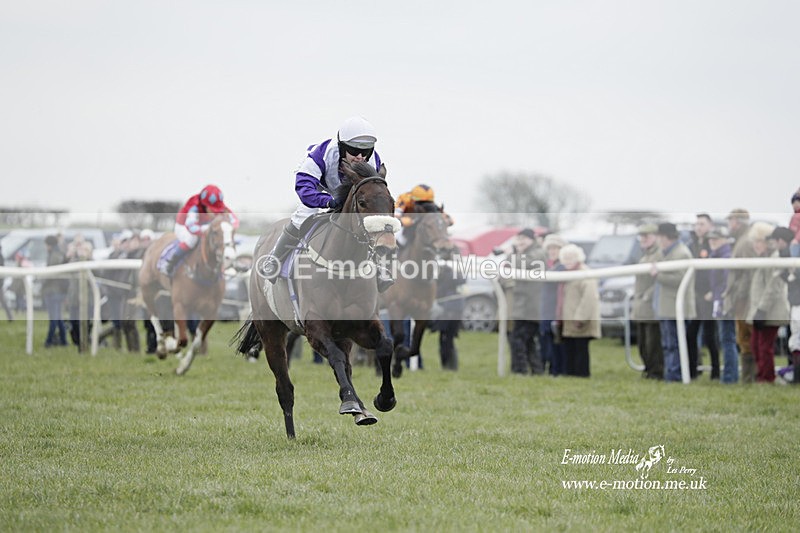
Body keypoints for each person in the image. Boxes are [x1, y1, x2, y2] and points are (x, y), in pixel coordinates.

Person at [260, 116, 393, 292]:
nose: (360, 157)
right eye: (353, 151)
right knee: (302, 216)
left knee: (367, 224)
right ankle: (274, 259)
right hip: (320, 190)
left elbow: (372, 194)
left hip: (352, 194)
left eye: (366, 152)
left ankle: (379, 267)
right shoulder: (320, 155)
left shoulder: (373, 161)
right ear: (342, 147)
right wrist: (327, 201)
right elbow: (303, 188)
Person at [160, 185, 239, 278]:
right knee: (191, 240)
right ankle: (170, 263)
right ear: (204, 205)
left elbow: (235, 220)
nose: (215, 212)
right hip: (184, 226)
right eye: (212, 209)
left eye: (217, 209)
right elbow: (191, 227)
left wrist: (228, 228)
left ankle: (228, 266)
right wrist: (207, 230)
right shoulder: (194, 207)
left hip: (206, 226)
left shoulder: (220, 205)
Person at [651, 222, 696, 382]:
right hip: (666, 307)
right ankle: (671, 374)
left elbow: (680, 279)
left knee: (673, 344)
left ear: (665, 237)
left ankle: (675, 376)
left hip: (676, 308)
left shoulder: (681, 253)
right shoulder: (664, 252)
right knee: (668, 344)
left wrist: (658, 275)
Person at [746, 222, 789, 383]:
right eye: (754, 241)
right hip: (761, 309)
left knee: (764, 347)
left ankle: (767, 377)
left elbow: (774, 286)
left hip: (770, 310)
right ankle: (761, 376)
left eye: (759, 241)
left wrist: (762, 309)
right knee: (756, 345)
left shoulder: (774, 258)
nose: (756, 245)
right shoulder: (763, 258)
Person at [505, 228, 546, 375]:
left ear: (532, 240)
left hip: (531, 306)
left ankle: (519, 370)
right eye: (518, 238)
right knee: (527, 341)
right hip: (524, 305)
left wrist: (511, 255)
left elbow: (522, 263)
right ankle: (536, 370)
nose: (521, 242)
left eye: (524, 239)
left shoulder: (538, 253)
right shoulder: (527, 253)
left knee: (518, 339)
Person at [722, 209, 756, 383]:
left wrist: (740, 294)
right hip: (743, 296)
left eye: (731, 221)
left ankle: (750, 378)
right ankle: (747, 378)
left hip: (746, 298)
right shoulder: (742, 240)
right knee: (743, 337)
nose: (729, 224)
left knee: (748, 337)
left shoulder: (747, 241)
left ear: (738, 221)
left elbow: (749, 273)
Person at [557, 244, 600, 377]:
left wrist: (580, 317)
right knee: (570, 348)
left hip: (580, 319)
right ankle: (571, 374)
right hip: (569, 317)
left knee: (580, 349)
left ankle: (582, 375)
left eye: (571, 258)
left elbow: (590, 298)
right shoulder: (567, 275)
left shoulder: (585, 273)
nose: (567, 261)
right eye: (565, 258)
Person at [687, 213, 719, 379]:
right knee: (691, 334)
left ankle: (715, 372)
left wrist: (713, 291)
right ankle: (693, 370)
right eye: (697, 224)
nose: (698, 227)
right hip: (694, 296)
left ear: (710, 226)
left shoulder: (712, 244)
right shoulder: (691, 245)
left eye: (702, 224)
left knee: (710, 336)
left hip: (708, 296)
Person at [768, 226, 800, 383]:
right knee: (794, 340)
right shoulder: (785, 255)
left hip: (797, 303)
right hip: (794, 302)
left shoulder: (792, 254)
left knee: (796, 340)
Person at [707, 226, 738, 384]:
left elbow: (727, 282)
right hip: (720, 300)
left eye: (716, 238)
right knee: (726, 339)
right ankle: (730, 375)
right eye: (711, 239)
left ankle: (729, 377)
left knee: (727, 339)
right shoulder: (717, 255)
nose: (712, 242)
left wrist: (719, 297)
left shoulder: (725, 256)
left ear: (725, 240)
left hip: (725, 302)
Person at [632, 224, 663, 379]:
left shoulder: (659, 254)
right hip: (640, 305)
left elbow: (659, 279)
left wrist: (648, 295)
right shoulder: (644, 256)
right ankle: (648, 369)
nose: (643, 239)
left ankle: (656, 371)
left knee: (653, 343)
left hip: (651, 305)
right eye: (641, 236)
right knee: (643, 343)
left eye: (647, 236)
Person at [539, 234, 566, 375]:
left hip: (555, 311)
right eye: (550, 248)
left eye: (555, 248)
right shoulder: (551, 267)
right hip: (546, 310)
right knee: (546, 342)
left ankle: (556, 370)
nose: (552, 251)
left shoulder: (562, 268)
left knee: (555, 343)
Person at [431, 264, 465, 371]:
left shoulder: (450, 273)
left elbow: (461, 280)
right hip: (446, 308)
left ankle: (449, 366)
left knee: (447, 339)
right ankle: (448, 366)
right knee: (446, 339)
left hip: (451, 309)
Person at [42, 235, 68, 347]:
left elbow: (51, 274)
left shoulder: (55, 255)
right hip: (56, 290)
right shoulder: (58, 253)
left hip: (54, 291)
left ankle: (48, 341)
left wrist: (42, 282)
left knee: (54, 318)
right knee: (58, 318)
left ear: (49, 245)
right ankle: (63, 341)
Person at [788, 188, 800, 257]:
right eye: (793, 203)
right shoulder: (794, 216)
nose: (795, 205)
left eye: (798, 202)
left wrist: (796, 239)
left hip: (797, 243)